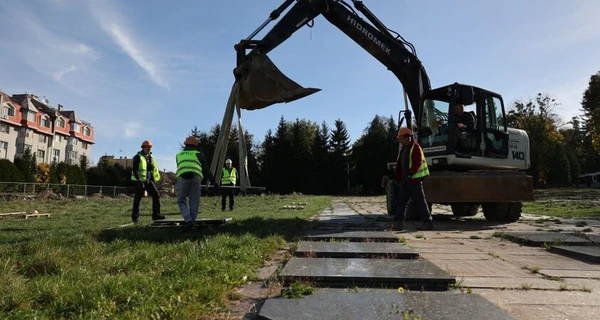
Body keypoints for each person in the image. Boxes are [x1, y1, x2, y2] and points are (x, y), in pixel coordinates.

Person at [175, 136, 220, 231]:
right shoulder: (199, 154)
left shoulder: (178, 155)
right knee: (194, 200)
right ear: (195, 145)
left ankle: (188, 220)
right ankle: (192, 222)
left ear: (185, 144)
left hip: (182, 178)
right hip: (196, 177)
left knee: (181, 200)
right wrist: (214, 183)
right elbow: (207, 171)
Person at [393, 127, 434, 230]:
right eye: (399, 139)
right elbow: (400, 165)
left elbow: (418, 163)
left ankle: (427, 222)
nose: (400, 141)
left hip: (414, 181)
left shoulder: (415, 147)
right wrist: (398, 178)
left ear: (408, 138)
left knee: (420, 202)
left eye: (401, 139)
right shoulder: (403, 149)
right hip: (405, 181)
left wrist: (410, 174)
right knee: (401, 203)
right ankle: (398, 223)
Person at [131, 140, 165, 223]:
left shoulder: (150, 157)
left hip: (148, 181)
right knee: (137, 199)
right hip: (139, 181)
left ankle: (156, 215)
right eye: (147, 147)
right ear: (143, 148)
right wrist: (139, 180)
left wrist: (153, 179)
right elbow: (135, 170)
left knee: (156, 195)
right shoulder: (137, 157)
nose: (149, 149)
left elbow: (151, 169)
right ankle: (135, 218)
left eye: (150, 147)